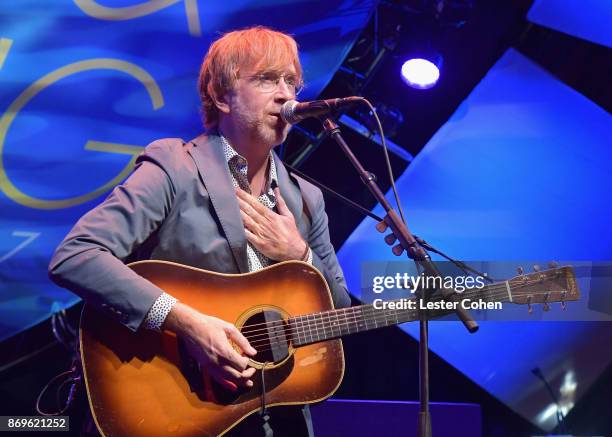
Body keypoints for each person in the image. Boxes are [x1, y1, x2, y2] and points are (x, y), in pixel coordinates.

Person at [48, 26, 351, 436]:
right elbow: (77, 255)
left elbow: (336, 307)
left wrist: (300, 255)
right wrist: (190, 324)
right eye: (266, 79)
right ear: (222, 96)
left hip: (274, 413)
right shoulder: (175, 166)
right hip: (175, 403)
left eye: (291, 82)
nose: (286, 95)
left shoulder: (306, 199)